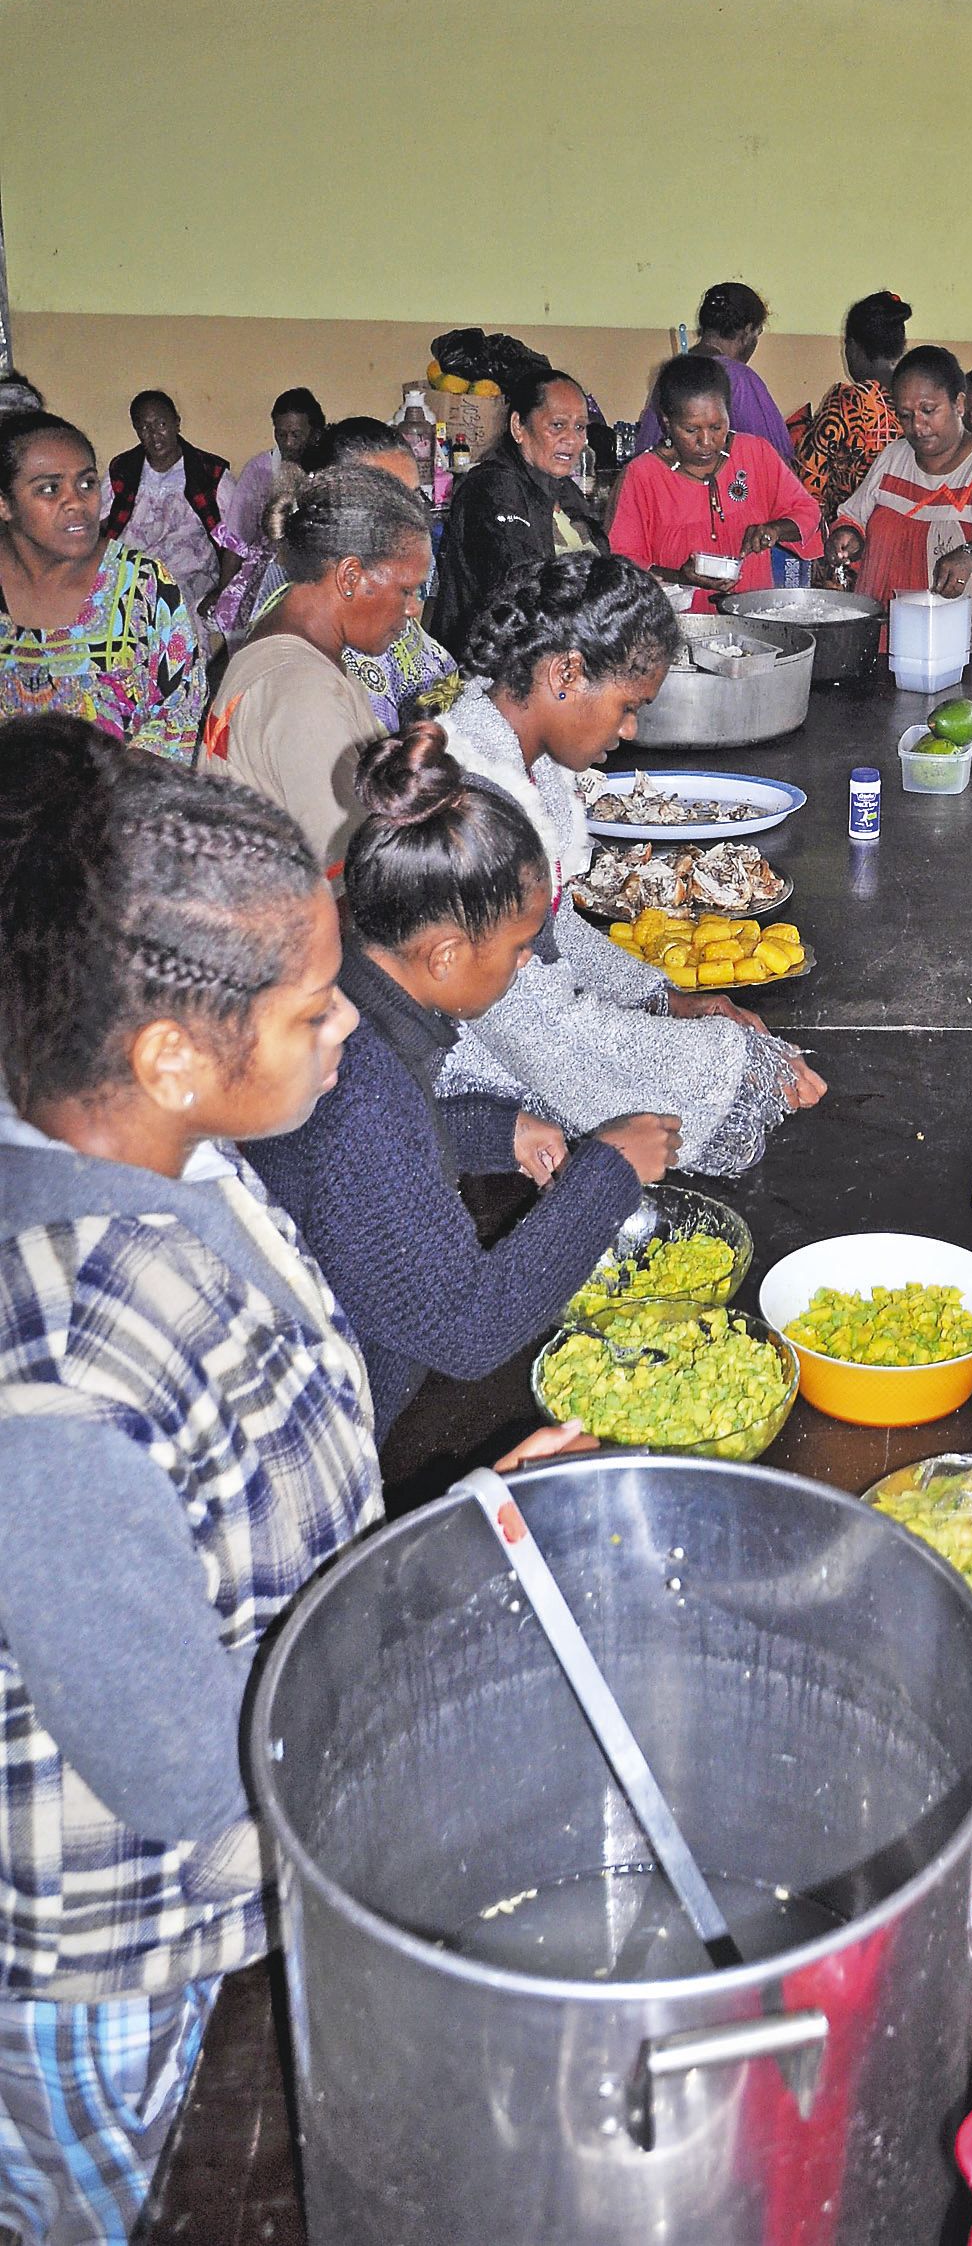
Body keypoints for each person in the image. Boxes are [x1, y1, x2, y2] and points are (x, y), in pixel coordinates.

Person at [0, 718, 579, 2237]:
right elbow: (191, 1772)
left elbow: (255, 1501)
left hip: (249, 1800)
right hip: (115, 1955)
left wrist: (443, 1531)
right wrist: (428, 1620)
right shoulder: (56, 1376)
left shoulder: (190, 1159)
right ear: (171, 1052)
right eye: (318, 1008)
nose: (348, 1034)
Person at [248, 722, 679, 1438]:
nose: (526, 964)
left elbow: (357, 1169)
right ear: (445, 955)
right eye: (519, 948)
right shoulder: (361, 1081)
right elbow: (464, 1327)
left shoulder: (351, 995)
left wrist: (493, 1131)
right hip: (331, 1425)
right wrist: (609, 1172)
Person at [439, 553, 825, 1173]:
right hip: (453, 1104)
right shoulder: (474, 810)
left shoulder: (527, 769)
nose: (631, 730)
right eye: (628, 705)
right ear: (566, 673)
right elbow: (539, 1032)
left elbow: (554, 930)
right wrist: (733, 1061)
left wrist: (661, 998)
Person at [199, 466, 433, 871]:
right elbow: (347, 874)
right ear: (350, 577)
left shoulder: (278, 641)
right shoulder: (304, 694)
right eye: (406, 590)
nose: (413, 609)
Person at [0, 411, 205, 762]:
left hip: (120, 793)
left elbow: (179, 712)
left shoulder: (142, 585)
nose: (76, 502)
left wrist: (112, 786)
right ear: (4, 504)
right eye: (49, 489)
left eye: (87, 484)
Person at [237, 415, 460, 729]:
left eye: (411, 497)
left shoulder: (394, 560)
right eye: (386, 501)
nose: (408, 516)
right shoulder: (304, 604)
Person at [826, 346, 972, 655]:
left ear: (959, 403)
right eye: (905, 415)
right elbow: (855, 517)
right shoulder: (894, 457)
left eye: (928, 410)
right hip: (885, 638)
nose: (917, 426)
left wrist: (969, 556)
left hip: (964, 645)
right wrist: (848, 537)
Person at [610, 353, 824, 609]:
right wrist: (680, 576)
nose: (706, 442)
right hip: (679, 621)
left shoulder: (756, 454)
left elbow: (807, 511)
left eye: (717, 427)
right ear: (667, 422)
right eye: (691, 430)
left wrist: (774, 530)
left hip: (754, 616)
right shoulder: (643, 476)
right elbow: (623, 563)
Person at [431, 367, 607, 659]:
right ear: (518, 427)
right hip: (492, 663)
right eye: (557, 425)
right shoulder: (492, 488)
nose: (572, 439)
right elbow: (522, 586)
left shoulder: (564, 489)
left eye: (580, 427)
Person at [102, 390, 232, 615]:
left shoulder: (210, 473)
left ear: (176, 423)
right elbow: (99, 525)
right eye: (144, 427)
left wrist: (224, 589)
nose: (154, 435)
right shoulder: (123, 469)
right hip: (129, 572)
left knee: (166, 609)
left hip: (188, 576)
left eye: (161, 424)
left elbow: (236, 538)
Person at [633, 283, 794, 464]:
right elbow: (776, 461)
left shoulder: (672, 374)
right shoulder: (739, 378)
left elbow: (644, 452)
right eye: (758, 333)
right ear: (748, 331)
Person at [796, 292, 911, 513]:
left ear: (853, 348)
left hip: (848, 529)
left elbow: (808, 479)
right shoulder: (919, 401)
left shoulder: (849, 401)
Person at [224, 389, 327, 553]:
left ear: (316, 434)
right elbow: (236, 539)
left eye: (296, 435)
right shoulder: (259, 470)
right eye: (281, 435)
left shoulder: (330, 471)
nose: (288, 444)